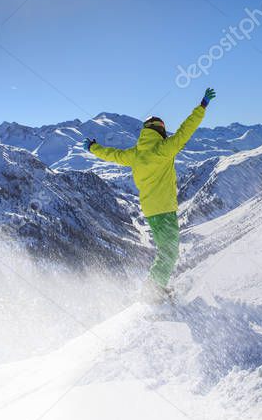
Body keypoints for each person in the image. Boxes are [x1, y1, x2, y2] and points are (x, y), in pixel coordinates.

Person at [84, 87, 216, 302]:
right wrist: (201, 107)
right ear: (160, 131)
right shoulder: (164, 149)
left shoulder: (134, 154)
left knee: (166, 251)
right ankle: (152, 293)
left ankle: (155, 289)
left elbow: (111, 155)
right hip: (164, 208)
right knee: (169, 253)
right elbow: (185, 131)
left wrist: (92, 148)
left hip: (151, 211)